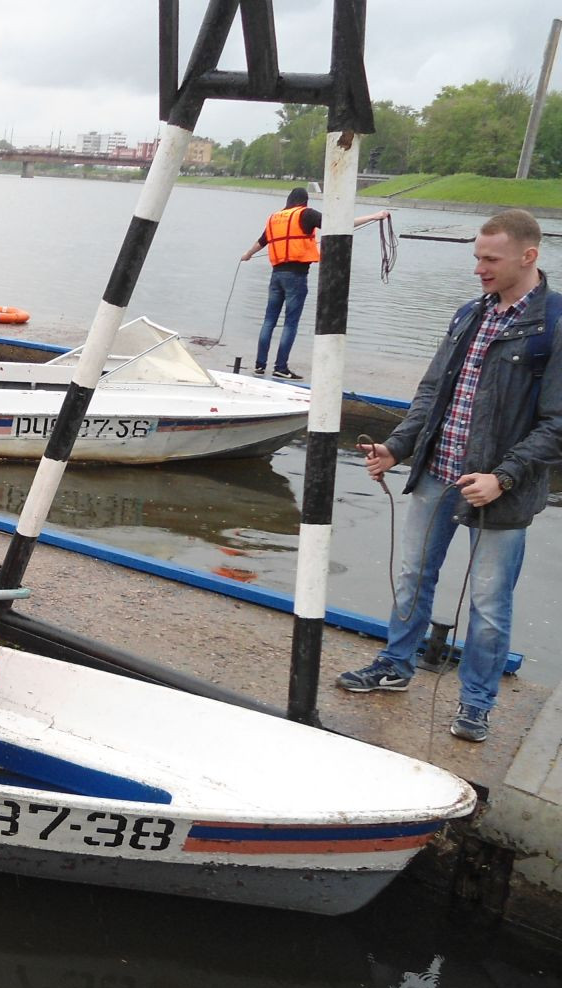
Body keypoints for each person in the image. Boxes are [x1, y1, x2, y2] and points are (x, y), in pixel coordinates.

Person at [337, 208, 562, 743]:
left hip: (500, 491)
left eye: (490, 259)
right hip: (438, 473)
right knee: (414, 576)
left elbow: (558, 423)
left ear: (528, 256)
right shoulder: (469, 313)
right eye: (476, 257)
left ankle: (477, 703)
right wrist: (397, 447)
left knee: (488, 601)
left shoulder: (553, 325)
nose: (479, 269)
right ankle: (395, 664)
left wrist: (503, 478)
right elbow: (432, 392)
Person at [241, 187, 389, 380]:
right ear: (305, 201)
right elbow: (339, 224)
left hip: (276, 275)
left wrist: (247, 255)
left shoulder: (275, 218)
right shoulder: (306, 214)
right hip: (296, 277)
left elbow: (261, 242)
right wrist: (374, 216)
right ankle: (281, 367)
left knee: (269, 321)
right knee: (290, 323)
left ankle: (260, 366)